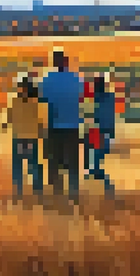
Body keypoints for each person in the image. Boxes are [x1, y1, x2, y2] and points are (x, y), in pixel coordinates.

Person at [38, 49, 84, 201]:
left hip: (53, 125)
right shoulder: (76, 79)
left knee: (54, 160)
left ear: (53, 62)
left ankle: (57, 191)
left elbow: (40, 100)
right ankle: (74, 191)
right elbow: (83, 97)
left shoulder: (46, 80)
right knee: (72, 161)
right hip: (72, 125)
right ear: (66, 62)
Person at [3, 77, 44, 199]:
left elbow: (9, 119)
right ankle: (37, 188)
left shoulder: (15, 102)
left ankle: (18, 188)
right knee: (34, 164)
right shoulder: (35, 103)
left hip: (18, 137)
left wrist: (6, 124)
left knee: (18, 164)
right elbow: (40, 121)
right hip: (32, 138)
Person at [88, 75, 116, 189]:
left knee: (96, 151)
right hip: (106, 128)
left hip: (98, 128)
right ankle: (96, 169)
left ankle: (95, 169)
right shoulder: (110, 97)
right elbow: (111, 114)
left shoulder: (94, 99)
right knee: (100, 151)